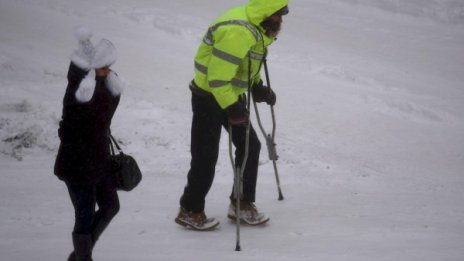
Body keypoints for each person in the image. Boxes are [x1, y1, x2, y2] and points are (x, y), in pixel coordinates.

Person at [175, 0, 289, 230]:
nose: (281, 20)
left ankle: (241, 203)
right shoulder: (239, 32)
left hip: (229, 93)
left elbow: (243, 64)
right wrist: (232, 108)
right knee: (206, 156)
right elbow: (217, 78)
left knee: (249, 145)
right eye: (278, 15)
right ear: (266, 13)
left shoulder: (257, 28)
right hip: (208, 95)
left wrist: (256, 86)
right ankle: (190, 209)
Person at [54, 27, 124, 260]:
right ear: (91, 68)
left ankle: (79, 256)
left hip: (99, 161)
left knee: (111, 206)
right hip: (77, 164)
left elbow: (105, 119)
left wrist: (113, 89)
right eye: (104, 66)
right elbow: (75, 122)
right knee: (83, 217)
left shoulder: (102, 85)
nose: (109, 70)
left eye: (107, 66)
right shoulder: (79, 89)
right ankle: (83, 257)